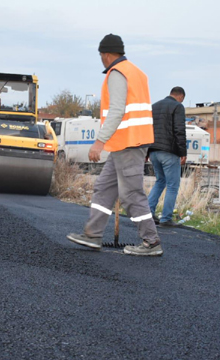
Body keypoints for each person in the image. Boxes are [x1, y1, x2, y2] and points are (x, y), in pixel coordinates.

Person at [67, 34, 162, 256]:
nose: (101, 59)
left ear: (107, 55)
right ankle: (93, 234)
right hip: (126, 143)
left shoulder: (117, 73)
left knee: (131, 195)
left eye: (101, 55)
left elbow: (118, 111)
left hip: (128, 143)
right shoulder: (137, 72)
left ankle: (151, 242)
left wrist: (98, 142)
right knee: (104, 188)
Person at [147, 87, 187, 227]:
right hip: (169, 152)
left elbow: (147, 130)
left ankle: (147, 214)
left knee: (160, 181)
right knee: (172, 186)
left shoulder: (154, 107)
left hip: (154, 151)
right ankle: (166, 218)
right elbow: (179, 130)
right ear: (180, 96)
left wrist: (147, 152)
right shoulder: (178, 106)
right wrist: (183, 152)